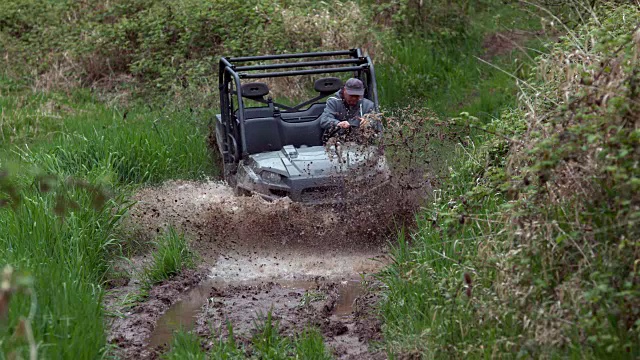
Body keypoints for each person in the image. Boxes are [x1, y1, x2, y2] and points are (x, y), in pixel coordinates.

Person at [319, 78, 381, 142]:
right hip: (336, 140)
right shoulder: (333, 102)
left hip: (361, 142)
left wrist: (368, 123)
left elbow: (377, 123)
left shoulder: (368, 105)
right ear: (344, 91)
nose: (354, 98)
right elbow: (324, 120)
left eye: (357, 96)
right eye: (351, 95)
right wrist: (338, 123)